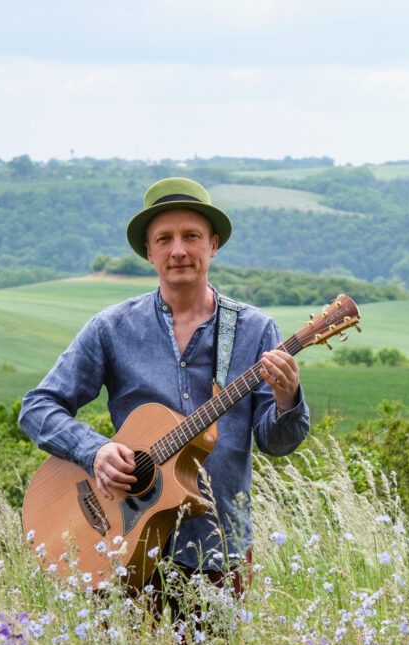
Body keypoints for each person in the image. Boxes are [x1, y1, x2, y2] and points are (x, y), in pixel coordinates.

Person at [18, 177, 310, 598]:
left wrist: (286, 400)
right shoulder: (111, 328)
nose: (178, 250)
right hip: (120, 547)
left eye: (191, 236)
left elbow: (277, 443)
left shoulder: (255, 330)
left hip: (219, 550)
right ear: (149, 252)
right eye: (165, 239)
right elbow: (37, 408)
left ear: (213, 245)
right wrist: (94, 451)